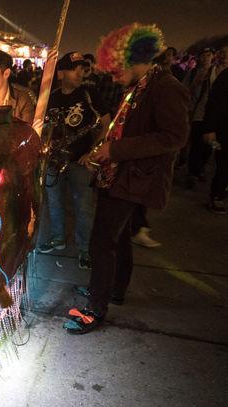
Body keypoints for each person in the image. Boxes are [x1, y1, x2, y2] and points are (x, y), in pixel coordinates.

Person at [65, 24, 189, 334]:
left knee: (101, 241)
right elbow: (124, 127)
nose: (112, 76)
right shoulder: (139, 85)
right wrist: (103, 150)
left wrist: (115, 149)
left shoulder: (165, 87)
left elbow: (174, 136)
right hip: (120, 174)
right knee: (118, 239)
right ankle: (111, 291)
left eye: (117, 69)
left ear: (137, 59)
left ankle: (96, 307)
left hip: (134, 178)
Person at [39, 52, 110, 270]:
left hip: (80, 162)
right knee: (54, 202)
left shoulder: (89, 94)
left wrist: (93, 151)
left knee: (84, 206)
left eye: (82, 68)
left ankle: (84, 248)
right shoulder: (50, 96)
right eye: (74, 68)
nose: (80, 72)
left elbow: (107, 123)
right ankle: (58, 238)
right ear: (60, 73)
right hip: (54, 160)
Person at [184, 48, 217, 188]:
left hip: (211, 113)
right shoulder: (192, 74)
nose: (205, 58)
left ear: (213, 57)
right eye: (203, 55)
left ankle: (200, 167)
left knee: (208, 144)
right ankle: (193, 172)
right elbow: (184, 90)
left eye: (208, 55)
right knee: (196, 142)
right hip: (195, 111)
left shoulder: (215, 73)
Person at [202, 45, 228, 214]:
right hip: (223, 131)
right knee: (224, 163)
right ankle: (216, 196)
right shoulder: (225, 77)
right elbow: (214, 104)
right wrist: (210, 129)